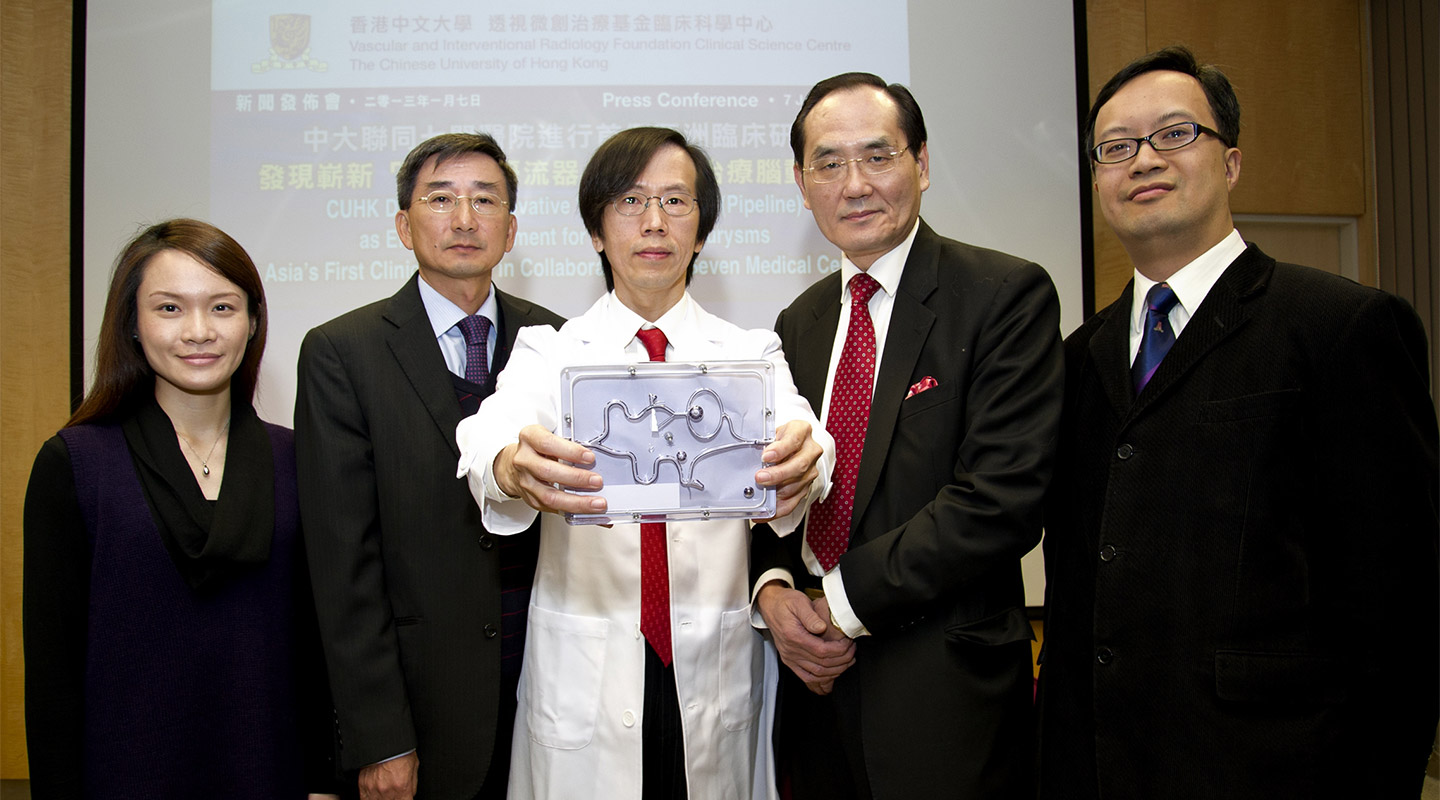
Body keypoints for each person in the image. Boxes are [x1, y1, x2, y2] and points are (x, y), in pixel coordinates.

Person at [1037, 46, 1440, 799]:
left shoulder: (1339, 329)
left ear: (1231, 162)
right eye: (1116, 148)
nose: (1144, 160)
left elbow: (1403, 602)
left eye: (1176, 134)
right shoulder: (1075, 360)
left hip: (1276, 768)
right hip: (1101, 767)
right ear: (1096, 180)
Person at [455, 126, 833, 800]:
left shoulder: (751, 353)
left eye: (676, 202)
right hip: (587, 673)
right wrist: (512, 464)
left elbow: (807, 432)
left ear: (701, 231)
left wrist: (808, 458)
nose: (654, 222)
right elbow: (487, 439)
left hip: (711, 667)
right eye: (630, 202)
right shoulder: (552, 354)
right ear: (597, 232)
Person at [750, 73, 1064, 798]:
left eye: (877, 156)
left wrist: (837, 603)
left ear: (921, 164)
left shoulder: (1002, 296)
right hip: (815, 695)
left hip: (946, 696)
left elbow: (1000, 500)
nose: (854, 184)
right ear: (802, 186)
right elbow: (772, 490)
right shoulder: (797, 323)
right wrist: (771, 589)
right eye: (828, 164)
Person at [22, 218, 339, 799]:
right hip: (124, 776)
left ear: (252, 322)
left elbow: (319, 644)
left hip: (270, 770)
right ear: (134, 326)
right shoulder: (75, 464)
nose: (199, 331)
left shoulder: (297, 459)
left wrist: (325, 781)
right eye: (169, 309)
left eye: (222, 308)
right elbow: (53, 675)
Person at [296, 133, 564, 800]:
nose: (464, 219)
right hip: (419, 707)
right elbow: (342, 567)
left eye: (485, 201)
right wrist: (380, 735)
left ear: (511, 230)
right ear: (402, 225)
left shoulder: (558, 344)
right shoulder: (343, 353)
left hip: (549, 693)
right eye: (440, 199)